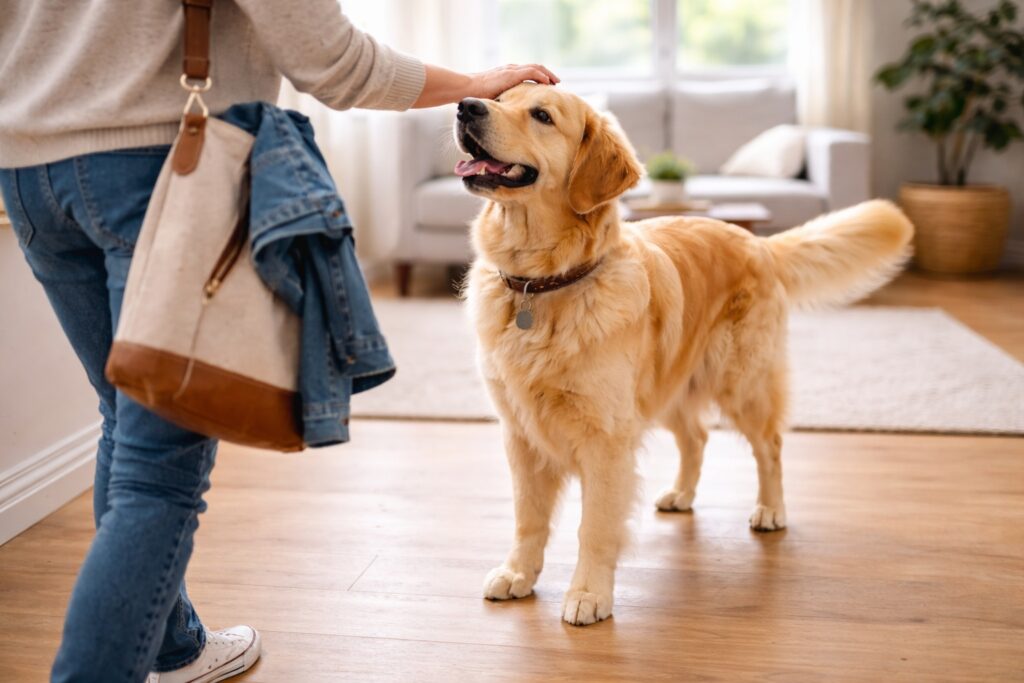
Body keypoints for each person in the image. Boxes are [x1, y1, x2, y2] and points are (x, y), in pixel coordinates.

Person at [0, 2, 558, 681]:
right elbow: (333, 62)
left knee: (126, 415)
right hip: (157, 164)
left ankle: (172, 647)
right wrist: (478, 81)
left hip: (27, 172)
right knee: (159, 467)